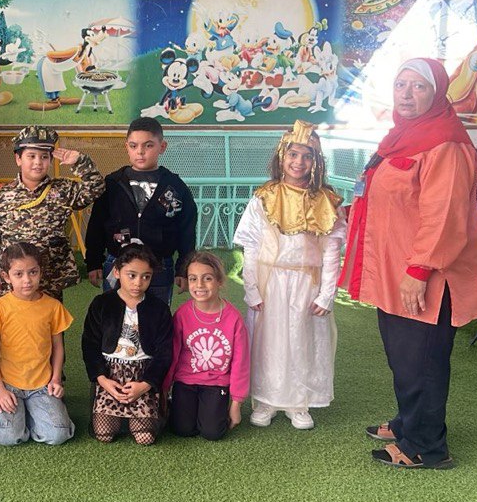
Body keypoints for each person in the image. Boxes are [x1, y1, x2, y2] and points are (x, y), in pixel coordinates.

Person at [340, 58, 477, 469]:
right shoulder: (402, 137)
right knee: (404, 356)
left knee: (422, 360)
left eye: (418, 86)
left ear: (437, 92)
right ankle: (408, 423)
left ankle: (426, 446)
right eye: (400, 84)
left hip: (425, 276)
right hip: (397, 269)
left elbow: (445, 215)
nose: (406, 94)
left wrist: (418, 271)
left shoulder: (446, 143)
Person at [234, 121, 345, 430]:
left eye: (307, 156)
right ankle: (266, 399)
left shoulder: (325, 201)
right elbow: (251, 245)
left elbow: (331, 251)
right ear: (282, 157)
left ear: (316, 161)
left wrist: (327, 293)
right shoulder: (264, 197)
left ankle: (298, 401)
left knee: (301, 340)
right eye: (293, 154)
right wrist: (252, 288)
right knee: (268, 342)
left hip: (306, 283)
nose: (299, 162)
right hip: (270, 282)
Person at [85, 116, 196, 305]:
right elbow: (97, 224)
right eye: (133, 146)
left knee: (156, 315)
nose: (140, 152)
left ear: (162, 147)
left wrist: (183, 268)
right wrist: (94, 261)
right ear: (126, 147)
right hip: (118, 262)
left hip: (159, 266)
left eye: (148, 145)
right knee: (114, 314)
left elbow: (186, 229)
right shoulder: (113, 183)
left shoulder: (175, 186)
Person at [0, 125, 103, 300]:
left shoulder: (63, 189)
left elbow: (96, 187)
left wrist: (80, 161)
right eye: (31, 156)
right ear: (18, 159)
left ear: (51, 160)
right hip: (13, 283)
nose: (38, 162)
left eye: (44, 157)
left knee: (50, 317)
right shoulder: (2, 195)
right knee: (11, 318)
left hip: (50, 280)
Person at [0, 243, 75, 446]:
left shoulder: (53, 307)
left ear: (40, 271)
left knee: (58, 435)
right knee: (5, 437)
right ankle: (20, 415)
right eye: (19, 274)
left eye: (33, 272)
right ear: (6, 276)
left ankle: (32, 415)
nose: (27, 280)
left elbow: (58, 347)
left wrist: (56, 379)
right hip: (8, 384)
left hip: (42, 385)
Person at [82, 245, 173, 445]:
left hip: (143, 375)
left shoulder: (159, 309)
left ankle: (159, 405)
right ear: (117, 272)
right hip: (110, 376)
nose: (138, 283)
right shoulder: (101, 303)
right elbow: (90, 344)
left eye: (146, 277)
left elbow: (164, 352)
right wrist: (102, 379)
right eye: (131, 275)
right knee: (104, 434)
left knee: (145, 437)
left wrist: (145, 385)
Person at [164, 251, 250, 441]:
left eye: (207, 278)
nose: (199, 285)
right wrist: (164, 389)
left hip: (216, 383)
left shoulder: (233, 319)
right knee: (182, 429)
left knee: (212, 432)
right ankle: (177, 404)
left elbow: (241, 363)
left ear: (219, 281)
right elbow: (173, 354)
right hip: (186, 380)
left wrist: (236, 404)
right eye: (193, 279)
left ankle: (212, 408)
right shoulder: (182, 314)